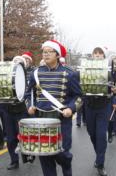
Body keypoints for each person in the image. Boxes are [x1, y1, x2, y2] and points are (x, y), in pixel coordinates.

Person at [25, 40, 82, 176]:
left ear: (57, 55)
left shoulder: (69, 73)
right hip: (41, 120)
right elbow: (28, 93)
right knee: (45, 157)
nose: (45, 54)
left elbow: (79, 97)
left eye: (49, 52)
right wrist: (29, 105)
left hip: (61, 119)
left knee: (63, 154)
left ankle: (67, 166)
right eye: (44, 52)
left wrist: (71, 109)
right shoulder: (36, 73)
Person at [84, 46, 116, 176]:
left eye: (100, 54)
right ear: (92, 56)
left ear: (103, 56)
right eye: (95, 54)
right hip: (89, 105)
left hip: (104, 105)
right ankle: (99, 154)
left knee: (101, 136)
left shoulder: (110, 68)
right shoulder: (86, 68)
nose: (98, 56)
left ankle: (100, 163)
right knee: (92, 133)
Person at [3, 51, 36, 170]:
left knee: (24, 136)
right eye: (15, 62)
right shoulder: (7, 76)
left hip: (23, 110)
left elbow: (32, 93)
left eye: (21, 62)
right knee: (10, 138)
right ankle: (14, 161)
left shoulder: (31, 75)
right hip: (9, 110)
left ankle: (29, 153)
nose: (17, 63)